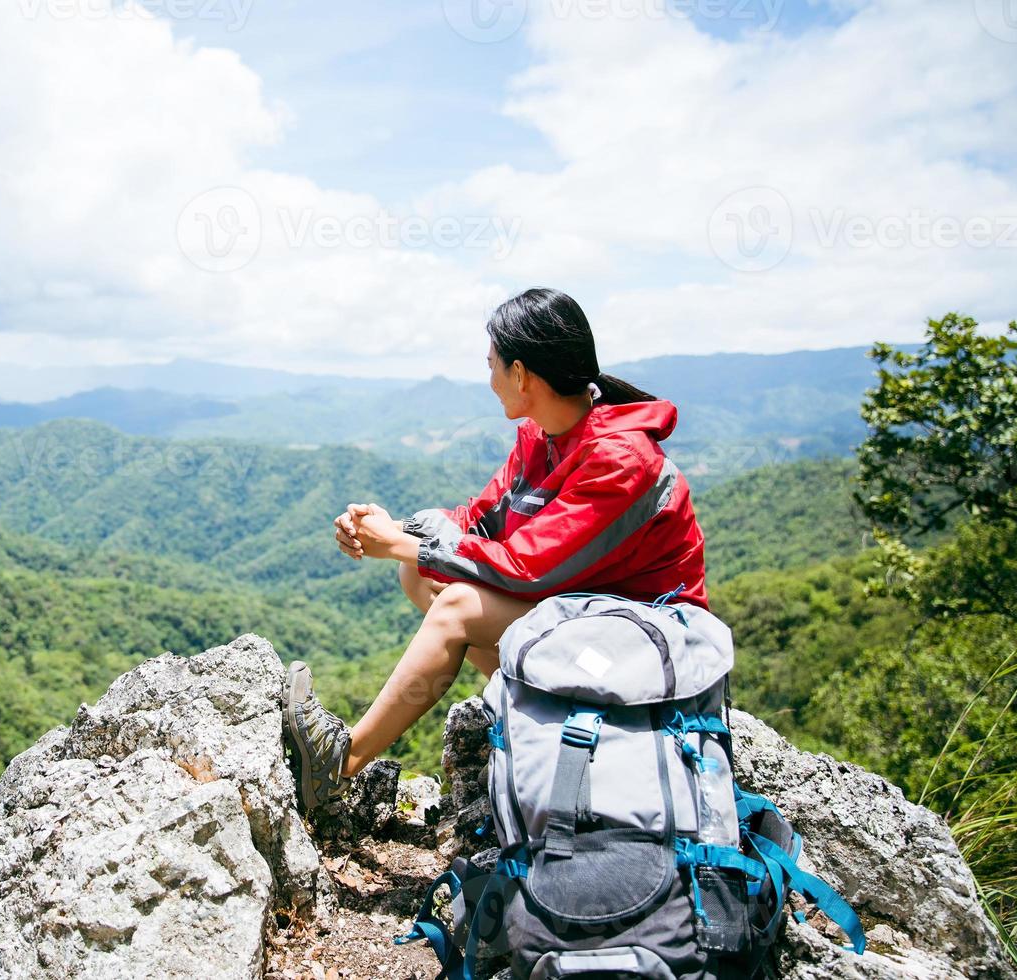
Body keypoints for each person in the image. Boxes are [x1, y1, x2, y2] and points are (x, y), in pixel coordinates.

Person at [283, 288, 709, 810]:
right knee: (418, 575)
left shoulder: (620, 458)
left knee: (457, 606)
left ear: (522, 374)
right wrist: (398, 530)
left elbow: (529, 569)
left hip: (647, 641)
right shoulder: (542, 436)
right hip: (590, 614)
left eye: (492, 367)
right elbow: (481, 521)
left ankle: (339, 764)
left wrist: (398, 545)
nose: (489, 382)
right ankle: (535, 710)